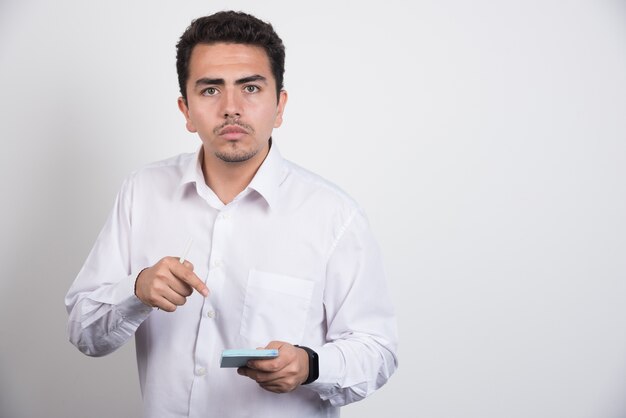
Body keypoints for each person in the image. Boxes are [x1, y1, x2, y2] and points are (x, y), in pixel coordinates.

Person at [65, 10, 398, 418]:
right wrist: (137, 290)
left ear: (280, 106)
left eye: (251, 88)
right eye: (210, 90)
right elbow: (84, 331)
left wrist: (311, 365)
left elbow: (378, 351)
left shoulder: (334, 216)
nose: (231, 108)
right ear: (186, 110)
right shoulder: (142, 192)